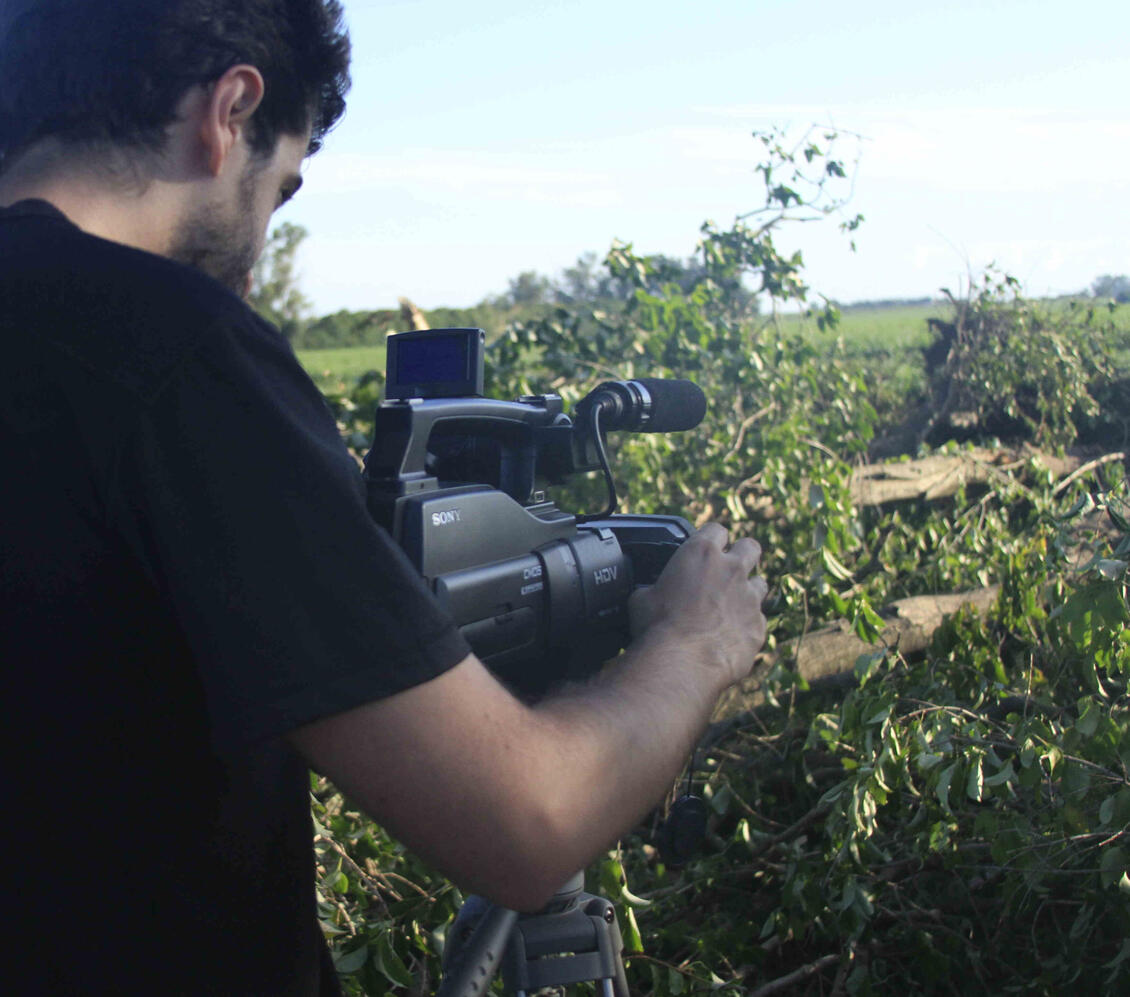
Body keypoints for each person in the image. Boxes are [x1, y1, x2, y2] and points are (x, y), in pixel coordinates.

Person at [0, 1, 768, 994]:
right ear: (229, 111)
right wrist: (697, 642)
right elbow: (526, 822)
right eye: (279, 189)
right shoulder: (169, 350)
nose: (256, 252)